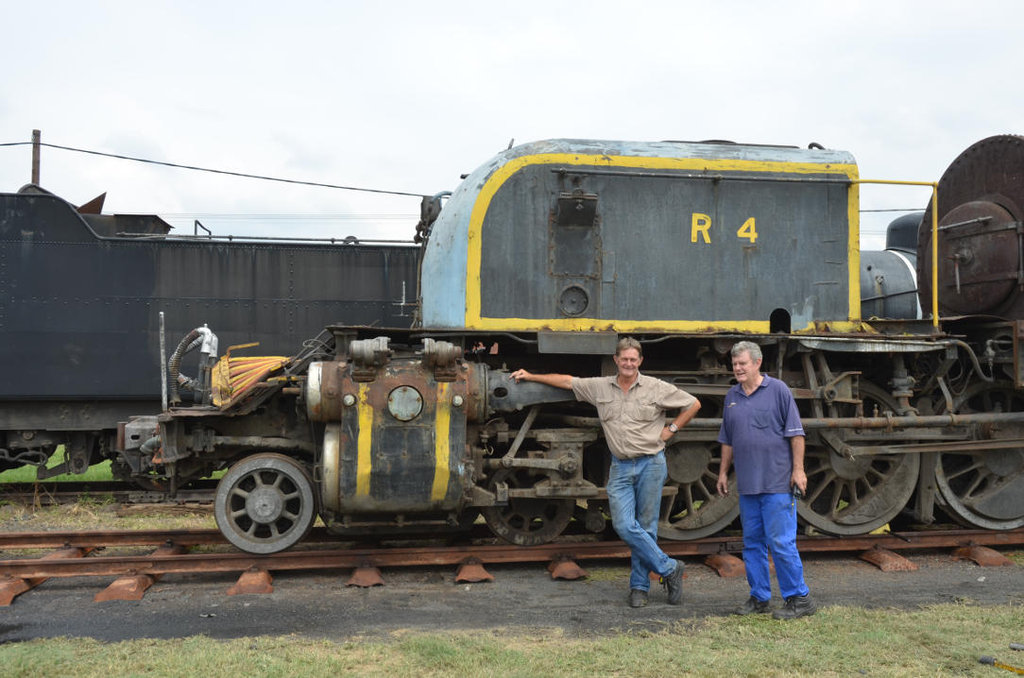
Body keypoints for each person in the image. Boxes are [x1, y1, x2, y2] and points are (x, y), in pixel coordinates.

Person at [511, 337, 700, 608]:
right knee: (623, 525)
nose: (628, 364)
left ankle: (639, 588)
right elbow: (568, 381)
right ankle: (670, 568)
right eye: (624, 359)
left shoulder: (655, 387)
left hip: (650, 463)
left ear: (640, 361)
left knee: (646, 527)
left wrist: (672, 429)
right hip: (620, 466)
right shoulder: (600, 387)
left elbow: (693, 403)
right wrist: (531, 376)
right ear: (616, 360)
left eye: (633, 359)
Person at [715, 340, 816, 620]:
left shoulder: (779, 390)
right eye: (735, 364)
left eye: (742, 364)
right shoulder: (732, 396)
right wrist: (723, 472)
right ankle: (760, 597)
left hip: (777, 482)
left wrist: (798, 470)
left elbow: (796, 434)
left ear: (757, 363)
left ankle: (800, 598)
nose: (737, 368)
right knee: (752, 544)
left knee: (781, 542)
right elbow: (727, 440)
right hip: (748, 484)